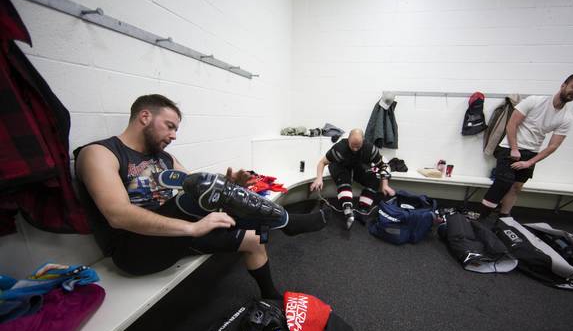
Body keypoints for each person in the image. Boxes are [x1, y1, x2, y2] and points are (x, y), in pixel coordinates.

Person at [74, 94, 328, 299]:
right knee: (203, 187)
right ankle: (289, 223)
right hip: (135, 250)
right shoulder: (100, 153)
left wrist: (229, 184)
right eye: (170, 126)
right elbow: (117, 215)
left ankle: (269, 294)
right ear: (144, 117)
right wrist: (192, 228)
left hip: (176, 236)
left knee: (254, 239)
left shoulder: (164, 158)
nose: (174, 135)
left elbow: (196, 188)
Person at [479, 73, 573, 219]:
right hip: (509, 148)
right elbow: (512, 124)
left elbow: (553, 146)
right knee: (503, 182)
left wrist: (530, 162)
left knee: (516, 187)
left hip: (531, 153)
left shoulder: (567, 118)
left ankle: (504, 218)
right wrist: (514, 148)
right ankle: (481, 218)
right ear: (564, 85)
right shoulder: (534, 101)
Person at [310, 129, 396, 229]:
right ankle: (348, 210)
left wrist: (385, 185)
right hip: (339, 166)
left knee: (374, 179)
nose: (355, 149)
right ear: (348, 140)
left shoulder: (370, 149)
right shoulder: (340, 148)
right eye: (352, 145)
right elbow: (322, 162)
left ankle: (362, 209)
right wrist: (319, 178)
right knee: (344, 178)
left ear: (363, 141)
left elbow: (383, 166)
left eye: (358, 146)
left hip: (357, 166)